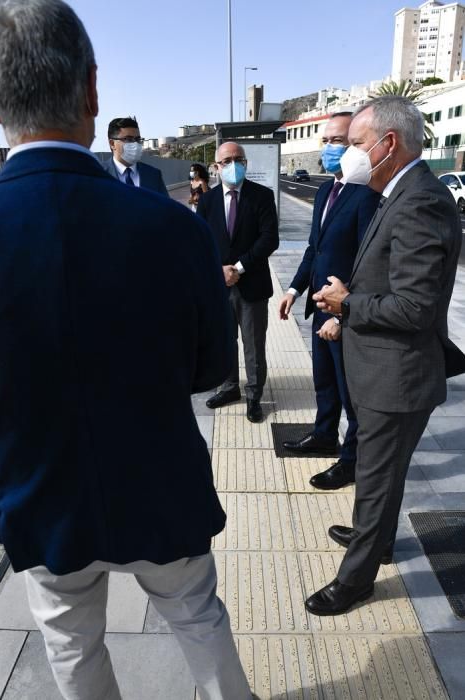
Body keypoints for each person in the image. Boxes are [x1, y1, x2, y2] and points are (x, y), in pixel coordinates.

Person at [0, 2, 254, 698]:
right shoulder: (171, 228)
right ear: (90, 91)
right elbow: (208, 368)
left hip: (39, 495)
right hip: (160, 485)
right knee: (198, 617)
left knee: (71, 644)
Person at [305, 96, 465, 617]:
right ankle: (373, 538)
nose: (346, 154)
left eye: (354, 144)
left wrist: (348, 304)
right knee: (383, 474)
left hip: (397, 377)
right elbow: (384, 278)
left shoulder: (421, 201)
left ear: (387, 143)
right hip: (380, 365)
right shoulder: (396, 191)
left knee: (376, 477)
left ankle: (355, 581)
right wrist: (344, 311)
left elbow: (415, 307)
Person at [279, 113, 380, 489]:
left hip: (343, 315)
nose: (331, 148)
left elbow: (368, 262)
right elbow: (314, 249)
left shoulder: (366, 194)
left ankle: (350, 461)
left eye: (341, 140)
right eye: (327, 141)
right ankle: (323, 435)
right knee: (324, 382)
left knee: (349, 393)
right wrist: (293, 290)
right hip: (319, 308)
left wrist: (342, 315)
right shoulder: (325, 190)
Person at [197, 142, 279, 423]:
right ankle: (229, 388)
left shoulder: (262, 196)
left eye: (238, 159)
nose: (233, 165)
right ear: (216, 167)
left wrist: (239, 267)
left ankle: (254, 395)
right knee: (224, 340)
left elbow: (270, 239)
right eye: (226, 161)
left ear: (246, 162)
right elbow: (201, 241)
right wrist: (218, 271)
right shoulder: (207, 201)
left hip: (252, 284)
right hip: (219, 286)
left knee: (253, 344)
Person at [103, 116, 169, 196]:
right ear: (112, 144)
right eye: (128, 139)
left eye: (138, 139)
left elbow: (165, 207)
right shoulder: (98, 174)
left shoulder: (153, 174)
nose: (135, 144)